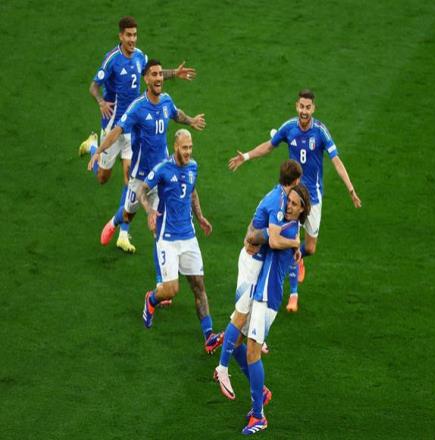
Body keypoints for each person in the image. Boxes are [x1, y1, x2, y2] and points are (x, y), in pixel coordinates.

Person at [228, 89, 362, 312]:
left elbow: (336, 160)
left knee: (309, 248)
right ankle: (292, 294)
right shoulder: (289, 127)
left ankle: (297, 258)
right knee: (290, 240)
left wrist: (350, 188)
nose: (304, 111)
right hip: (293, 195)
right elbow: (269, 146)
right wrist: (246, 156)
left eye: (308, 107)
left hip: (313, 198)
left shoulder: (321, 132)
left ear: (313, 109)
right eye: (301, 106)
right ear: (296, 106)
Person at [79, 16, 196, 252]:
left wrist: (175, 73)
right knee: (102, 177)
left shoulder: (141, 56)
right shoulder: (112, 59)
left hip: (136, 128)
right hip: (114, 125)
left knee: (129, 177)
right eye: (128, 35)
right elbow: (93, 86)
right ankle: (92, 146)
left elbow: (154, 74)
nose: (132, 39)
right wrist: (101, 101)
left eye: (135, 35)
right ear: (121, 36)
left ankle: (123, 232)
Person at [220, 183, 311, 435]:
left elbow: (259, 238)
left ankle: (259, 415)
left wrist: (255, 233)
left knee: (252, 352)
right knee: (238, 343)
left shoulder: (289, 230)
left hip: (268, 298)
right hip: (261, 293)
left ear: (302, 210)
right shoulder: (290, 230)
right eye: (289, 201)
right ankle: (260, 395)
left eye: (294, 204)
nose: (288, 206)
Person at [213, 160, 303, 404]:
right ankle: (222, 368)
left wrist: (255, 236)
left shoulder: (282, 199)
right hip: (251, 264)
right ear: (295, 181)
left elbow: (257, 228)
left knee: (244, 331)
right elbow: (270, 238)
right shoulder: (278, 201)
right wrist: (293, 243)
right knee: (240, 316)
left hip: (258, 264)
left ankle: (258, 389)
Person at [138, 128, 223, 354]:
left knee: (199, 286)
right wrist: (149, 211)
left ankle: (209, 336)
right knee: (171, 290)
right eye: (184, 148)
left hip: (189, 237)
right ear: (175, 147)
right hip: (167, 238)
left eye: (190, 147)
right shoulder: (163, 169)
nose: (188, 152)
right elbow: (141, 189)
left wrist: (200, 217)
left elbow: (192, 192)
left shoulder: (193, 166)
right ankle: (151, 299)